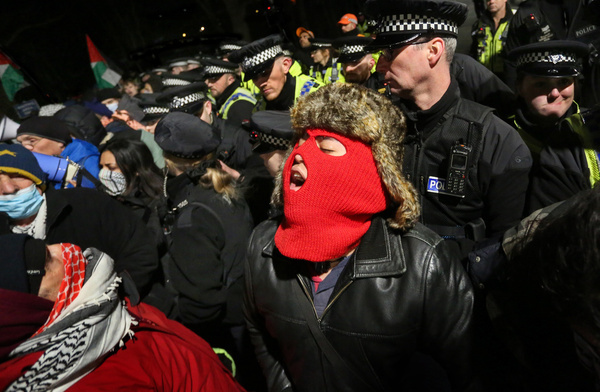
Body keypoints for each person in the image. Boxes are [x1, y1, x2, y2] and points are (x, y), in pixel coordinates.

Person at [244, 83, 478, 391]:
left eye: (325, 147)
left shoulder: (424, 263)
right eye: (299, 142)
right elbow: (261, 339)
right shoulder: (263, 245)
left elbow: (464, 370)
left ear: (369, 166)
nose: (300, 154)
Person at [368, 0, 531, 257]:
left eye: (390, 52)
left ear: (433, 51)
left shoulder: (496, 141)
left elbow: (506, 246)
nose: (379, 65)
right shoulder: (375, 129)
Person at [0, 234, 245, 391]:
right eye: (46, 259)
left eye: (46, 245)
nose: (64, 248)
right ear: (29, 308)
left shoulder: (105, 306)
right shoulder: (103, 381)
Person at [153, 112, 254, 374]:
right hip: (243, 321)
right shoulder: (222, 189)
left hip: (221, 337)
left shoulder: (194, 215)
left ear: (169, 160)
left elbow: (202, 303)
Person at [0, 143, 159, 297]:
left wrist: (112, 296)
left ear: (37, 179)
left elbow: (140, 252)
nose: (8, 188)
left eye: (18, 176)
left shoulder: (88, 204)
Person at [507, 40, 598, 211]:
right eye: (541, 84)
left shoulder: (592, 128)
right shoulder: (501, 133)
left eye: (564, 82)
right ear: (519, 86)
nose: (555, 93)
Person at [98, 138, 165, 248]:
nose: (103, 173)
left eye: (111, 167)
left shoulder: (157, 201)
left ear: (136, 169)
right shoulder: (104, 195)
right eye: (102, 167)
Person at [228, 34, 321, 112]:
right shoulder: (260, 110)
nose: (260, 83)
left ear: (285, 65)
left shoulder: (317, 97)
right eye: (254, 77)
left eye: (265, 73)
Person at [16, 116, 101, 189]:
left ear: (59, 141)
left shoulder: (88, 163)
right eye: (21, 144)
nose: (26, 148)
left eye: (32, 141)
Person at [202, 58, 256, 126]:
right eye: (208, 80)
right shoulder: (225, 98)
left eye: (214, 79)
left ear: (230, 79)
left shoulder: (240, 104)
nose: (209, 84)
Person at [470, 0, 513, 80]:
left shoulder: (516, 21)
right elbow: (473, 51)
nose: (491, 1)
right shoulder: (479, 24)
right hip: (483, 78)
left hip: (508, 78)